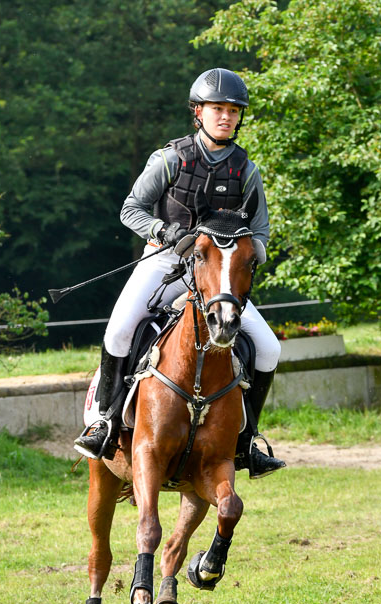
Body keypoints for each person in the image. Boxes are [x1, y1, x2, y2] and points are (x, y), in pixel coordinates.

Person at [74, 68, 285, 479]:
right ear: (198, 112)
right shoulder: (172, 158)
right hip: (165, 259)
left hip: (215, 271)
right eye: (217, 109)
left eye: (233, 111)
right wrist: (162, 230)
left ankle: (248, 441)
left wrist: (242, 255)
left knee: (270, 348)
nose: (225, 117)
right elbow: (130, 208)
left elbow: (260, 232)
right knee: (119, 330)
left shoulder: (247, 170)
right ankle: (104, 422)